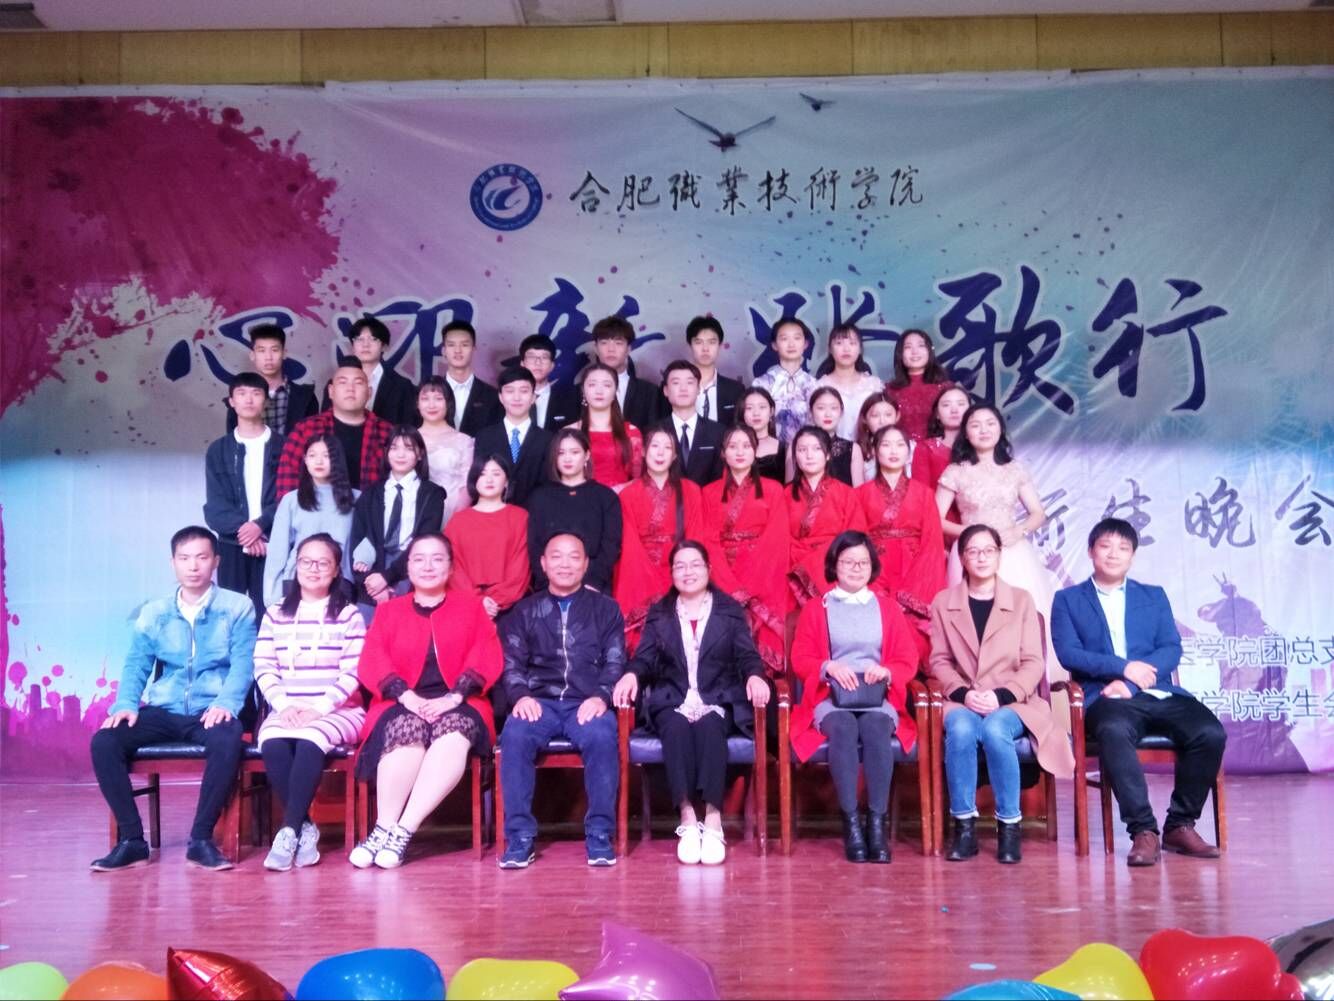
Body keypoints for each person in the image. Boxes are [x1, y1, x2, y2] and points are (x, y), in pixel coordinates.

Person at [1051, 518, 1226, 867]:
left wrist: (1132, 682)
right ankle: (1143, 830)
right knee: (1115, 730)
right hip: (1105, 696)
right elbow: (1069, 654)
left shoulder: (1153, 596)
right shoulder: (1068, 599)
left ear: (1132, 555)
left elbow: (1170, 648)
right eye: (1105, 546)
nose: (1113, 554)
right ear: (1091, 551)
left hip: (1156, 692)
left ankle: (1179, 825)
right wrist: (1122, 667)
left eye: (1123, 548)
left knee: (1210, 732)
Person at [90, 527, 256, 873]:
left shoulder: (237, 607)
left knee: (227, 739)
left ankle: (201, 840)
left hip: (211, 709)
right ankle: (132, 841)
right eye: (185, 558)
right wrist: (126, 704)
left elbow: (243, 663)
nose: (193, 566)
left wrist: (226, 704)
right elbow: (137, 663)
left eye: (202, 557)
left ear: (216, 561)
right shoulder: (155, 612)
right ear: (173, 563)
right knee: (104, 741)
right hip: (164, 710)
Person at [349, 534, 503, 868]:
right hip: (400, 701)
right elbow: (372, 659)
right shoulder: (388, 611)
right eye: (419, 559)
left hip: (461, 701)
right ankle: (383, 827)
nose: (428, 566)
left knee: (453, 732)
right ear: (408, 567)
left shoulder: (471, 608)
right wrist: (406, 696)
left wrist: (454, 697)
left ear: (451, 567)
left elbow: (486, 654)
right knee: (407, 730)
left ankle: (403, 830)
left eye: (437, 559)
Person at [612, 541, 770, 866]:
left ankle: (712, 819)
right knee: (676, 727)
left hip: (718, 696)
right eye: (680, 566)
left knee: (711, 726)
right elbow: (644, 658)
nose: (688, 572)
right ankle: (687, 818)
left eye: (695, 564)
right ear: (671, 573)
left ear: (709, 569)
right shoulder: (660, 613)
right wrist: (631, 675)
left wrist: (755, 676)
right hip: (673, 697)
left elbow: (747, 657)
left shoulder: (729, 610)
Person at [929, 525, 1075, 865]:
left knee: (996, 729)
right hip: (962, 698)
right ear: (962, 558)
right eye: (973, 551)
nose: (981, 558)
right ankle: (964, 828)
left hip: (1014, 700)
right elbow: (939, 660)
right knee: (961, 729)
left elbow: (1033, 662)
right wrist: (964, 693)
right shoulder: (943, 602)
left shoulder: (1021, 600)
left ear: (998, 555)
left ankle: (1009, 826)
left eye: (988, 550)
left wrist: (1002, 696)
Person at [498, 532, 627, 868]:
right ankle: (519, 838)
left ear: (585, 565)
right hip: (539, 701)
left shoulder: (606, 609)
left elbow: (616, 660)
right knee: (515, 734)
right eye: (556, 556)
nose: (565, 564)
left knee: (601, 735)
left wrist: (601, 696)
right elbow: (511, 663)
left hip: (586, 701)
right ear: (543, 564)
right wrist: (521, 696)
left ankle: (599, 833)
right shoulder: (525, 611)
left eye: (574, 557)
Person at [789, 531, 920, 864]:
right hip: (831, 698)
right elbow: (801, 658)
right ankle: (851, 825)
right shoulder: (816, 609)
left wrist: (887, 670)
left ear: (872, 566)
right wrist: (827, 666)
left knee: (876, 728)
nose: (856, 568)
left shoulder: (887, 608)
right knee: (844, 728)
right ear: (834, 565)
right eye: (848, 562)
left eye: (863, 562)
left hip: (878, 697)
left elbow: (908, 658)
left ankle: (876, 824)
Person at [254, 534, 367, 871]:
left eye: (323, 563)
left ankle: (288, 830)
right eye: (306, 561)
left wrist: (319, 709)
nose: (313, 569)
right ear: (295, 565)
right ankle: (304, 827)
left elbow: (354, 672)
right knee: (271, 740)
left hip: (339, 709)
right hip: (287, 707)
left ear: (336, 571)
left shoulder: (349, 615)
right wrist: (284, 705)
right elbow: (263, 665)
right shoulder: (275, 613)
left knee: (309, 740)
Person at [935, 404, 1054, 650]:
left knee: (1018, 616)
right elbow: (935, 519)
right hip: (970, 552)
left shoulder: (1015, 469)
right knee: (972, 618)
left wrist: (1018, 531)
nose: (984, 430)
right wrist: (970, 534)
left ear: (1000, 429)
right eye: (975, 425)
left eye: (990, 423)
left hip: (1012, 550)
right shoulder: (955, 471)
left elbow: (1038, 513)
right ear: (966, 432)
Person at [700, 426, 790, 677]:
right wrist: (729, 583)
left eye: (746, 446)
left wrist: (751, 584)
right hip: (722, 575)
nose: (740, 452)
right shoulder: (708, 492)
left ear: (755, 451)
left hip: (763, 575)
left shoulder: (774, 489)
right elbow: (707, 540)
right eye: (732, 446)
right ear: (723, 453)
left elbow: (777, 539)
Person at [856, 425, 946, 663]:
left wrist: (914, 590)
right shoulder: (860, 494)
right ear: (875, 451)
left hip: (915, 568)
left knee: (913, 632)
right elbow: (856, 542)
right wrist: (870, 578)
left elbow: (932, 544)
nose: (893, 451)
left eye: (899, 445)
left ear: (908, 452)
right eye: (886, 445)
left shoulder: (924, 493)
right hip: (875, 569)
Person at [613, 426, 706, 650]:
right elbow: (629, 544)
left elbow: (696, 537)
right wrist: (649, 576)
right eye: (655, 446)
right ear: (644, 451)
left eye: (667, 448)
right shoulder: (628, 495)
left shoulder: (691, 490)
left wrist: (684, 568)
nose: (660, 452)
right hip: (639, 571)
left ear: (674, 456)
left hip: (680, 569)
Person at [204, 373, 282, 619]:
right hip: (232, 545)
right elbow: (216, 505)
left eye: (256, 393)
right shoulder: (218, 450)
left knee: (271, 613)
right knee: (230, 615)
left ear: (266, 401)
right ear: (232, 401)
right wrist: (246, 533)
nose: (249, 399)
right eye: (242, 393)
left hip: (274, 543)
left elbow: (289, 496)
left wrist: (260, 525)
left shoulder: (284, 446)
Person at [349, 427, 446, 615]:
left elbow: (424, 542)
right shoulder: (370, 495)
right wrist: (372, 583)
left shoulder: (432, 495)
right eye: (394, 448)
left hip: (411, 570)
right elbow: (356, 541)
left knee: (408, 625)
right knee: (367, 628)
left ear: (420, 454)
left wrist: (387, 577)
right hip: (373, 575)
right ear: (386, 453)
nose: (400, 454)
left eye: (408, 448)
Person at [263, 434, 358, 607]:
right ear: (305, 460)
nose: (319, 461)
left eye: (326, 455)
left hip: (340, 581)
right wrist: (272, 597)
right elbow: (277, 552)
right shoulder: (291, 500)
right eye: (312, 455)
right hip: (297, 581)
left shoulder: (357, 499)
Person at [526, 429, 623, 593]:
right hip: (548, 588)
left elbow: (611, 545)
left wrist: (593, 582)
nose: (567, 458)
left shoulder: (605, 497)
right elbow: (534, 546)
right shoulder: (539, 497)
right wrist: (547, 583)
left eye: (574, 452)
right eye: (561, 453)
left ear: (586, 455)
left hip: (594, 587)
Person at [278, 360, 393, 496]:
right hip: (317, 509)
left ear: (369, 392)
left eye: (358, 383)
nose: (350, 388)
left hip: (372, 509)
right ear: (331, 391)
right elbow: (287, 484)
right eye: (343, 382)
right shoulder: (306, 430)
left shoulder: (387, 433)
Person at [787, 426, 867, 614]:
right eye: (802, 450)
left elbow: (855, 536)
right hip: (794, 567)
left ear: (828, 454)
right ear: (795, 457)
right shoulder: (784, 495)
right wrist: (802, 561)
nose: (809, 455)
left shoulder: (846, 493)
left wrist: (816, 560)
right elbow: (779, 538)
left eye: (816, 449)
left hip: (834, 564)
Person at [444, 454, 530, 619]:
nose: (489, 479)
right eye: (482, 474)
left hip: (510, 608)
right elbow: (454, 567)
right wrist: (477, 600)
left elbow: (520, 567)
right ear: (474, 480)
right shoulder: (458, 521)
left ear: (506, 481)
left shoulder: (520, 517)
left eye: (496, 474)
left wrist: (495, 601)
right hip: (465, 605)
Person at [473, 367, 554, 508]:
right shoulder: (484, 437)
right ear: (501, 397)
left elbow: (548, 484)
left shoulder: (548, 439)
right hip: (494, 513)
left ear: (533, 397)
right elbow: (479, 479)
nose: (517, 398)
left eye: (524, 391)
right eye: (510, 391)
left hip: (536, 514)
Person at [224, 323, 317, 436]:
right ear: (252, 355)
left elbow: (313, 438)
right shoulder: (239, 398)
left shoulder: (305, 396)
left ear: (284, 353)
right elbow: (233, 439)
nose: (268, 357)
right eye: (261, 350)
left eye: (274, 350)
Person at [335, 314, 418, 427]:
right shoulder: (336, 384)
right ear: (352, 346)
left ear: (384, 346)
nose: (365, 345)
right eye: (359, 339)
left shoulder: (403, 386)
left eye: (373, 339)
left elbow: (408, 428)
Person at [575, 361, 643, 489]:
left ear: (615, 390)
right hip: (581, 498)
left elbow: (638, 479)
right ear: (583, 390)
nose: (599, 391)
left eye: (606, 385)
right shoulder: (571, 432)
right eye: (592, 384)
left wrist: (615, 492)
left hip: (620, 498)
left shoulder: (631, 432)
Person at [752, 316, 818, 447]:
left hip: (806, 452)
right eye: (784, 338)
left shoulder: (814, 385)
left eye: (797, 338)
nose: (791, 344)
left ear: (805, 344)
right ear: (774, 345)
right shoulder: (761, 384)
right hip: (769, 452)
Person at [416, 376, 474, 524]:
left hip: (452, 512)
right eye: (425, 399)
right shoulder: (409, 440)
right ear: (417, 404)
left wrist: (455, 520)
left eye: (438, 398)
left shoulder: (464, 441)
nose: (431, 405)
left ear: (448, 403)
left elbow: (467, 485)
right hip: (415, 512)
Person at [658, 359, 724, 487]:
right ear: (665, 390)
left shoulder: (718, 432)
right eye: (676, 383)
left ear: (698, 389)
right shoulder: (653, 431)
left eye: (689, 382)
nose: (683, 388)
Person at [589, 315, 663, 429]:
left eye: (618, 343)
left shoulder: (649, 392)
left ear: (629, 349)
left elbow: (654, 432)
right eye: (604, 343)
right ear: (595, 348)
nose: (611, 349)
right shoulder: (579, 391)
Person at [815, 323, 884, 441]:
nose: (846, 349)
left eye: (852, 343)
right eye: (839, 343)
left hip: (868, 449)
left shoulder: (874, 386)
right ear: (830, 349)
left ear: (860, 349)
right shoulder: (820, 386)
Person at [886, 329, 954, 443]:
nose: (915, 351)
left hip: (939, 451)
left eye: (921, 346)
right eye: (908, 347)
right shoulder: (889, 390)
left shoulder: (946, 388)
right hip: (901, 451)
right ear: (900, 354)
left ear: (930, 351)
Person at [441, 320, 502, 436]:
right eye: (451, 345)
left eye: (464, 345)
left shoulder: (492, 396)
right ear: (444, 350)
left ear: (474, 349)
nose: (458, 350)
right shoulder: (428, 394)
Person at [912, 385, 971, 495]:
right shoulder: (925, 448)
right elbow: (921, 494)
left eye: (961, 404)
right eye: (946, 405)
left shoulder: (981, 446)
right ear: (937, 414)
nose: (954, 410)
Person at [686, 316, 744, 426]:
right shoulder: (676, 388)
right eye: (698, 342)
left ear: (719, 345)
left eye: (712, 342)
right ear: (690, 345)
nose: (705, 348)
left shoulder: (735, 390)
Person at [792, 386, 854, 485]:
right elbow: (790, 488)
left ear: (841, 411)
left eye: (833, 408)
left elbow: (858, 491)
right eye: (821, 408)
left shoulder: (853, 449)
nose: (828, 414)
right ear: (811, 411)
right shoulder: (797, 445)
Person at [518, 333, 576, 430]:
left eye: (544, 357)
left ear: (552, 366)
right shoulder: (508, 399)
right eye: (531, 357)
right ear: (522, 364)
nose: (538, 362)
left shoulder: (569, 401)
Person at [850, 391, 901, 487]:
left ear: (897, 416)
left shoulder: (910, 447)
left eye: (888, 415)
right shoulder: (857, 450)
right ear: (864, 419)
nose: (882, 421)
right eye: (875, 416)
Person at [737, 386, 786, 483]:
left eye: (762, 407)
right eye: (749, 408)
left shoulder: (784, 449)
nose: (756, 413)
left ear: (771, 411)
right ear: (742, 413)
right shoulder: (733, 447)